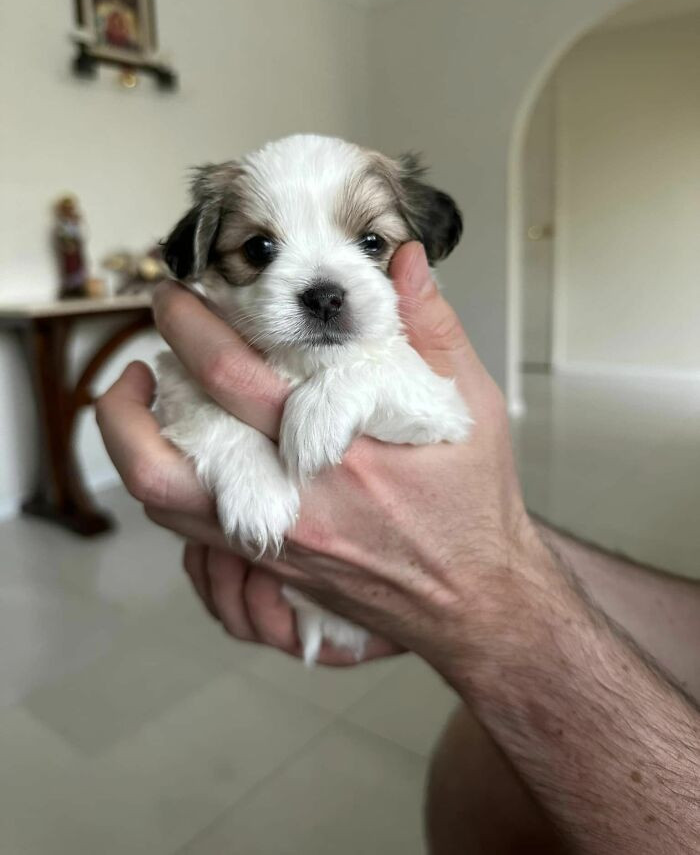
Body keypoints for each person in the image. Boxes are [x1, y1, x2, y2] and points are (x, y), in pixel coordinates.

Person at [97, 242, 700, 854]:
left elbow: (436, 416)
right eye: (262, 249)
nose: (323, 282)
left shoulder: (386, 350)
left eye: (369, 244)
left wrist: (474, 598)